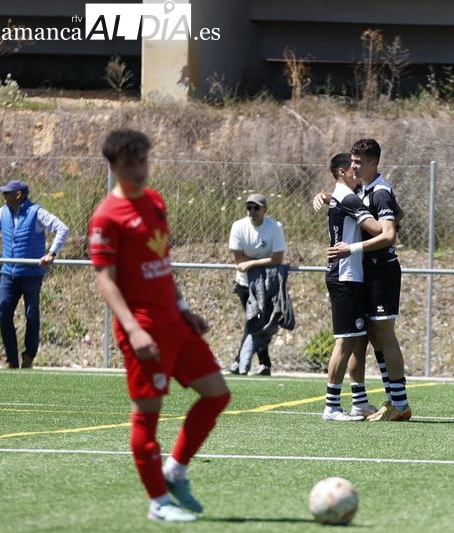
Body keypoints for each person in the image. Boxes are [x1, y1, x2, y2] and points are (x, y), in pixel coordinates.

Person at [89, 129, 231, 523]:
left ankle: (175, 470)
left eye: (143, 161)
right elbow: (105, 277)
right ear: (114, 167)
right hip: (144, 327)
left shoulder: (155, 201)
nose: (139, 170)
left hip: (173, 320)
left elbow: (163, 262)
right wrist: (133, 329)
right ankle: (158, 502)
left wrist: (184, 308)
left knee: (217, 394)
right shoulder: (106, 216)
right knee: (147, 417)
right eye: (130, 164)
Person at [328, 138, 411, 422]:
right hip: (366, 272)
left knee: (385, 335)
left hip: (382, 272)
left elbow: (388, 234)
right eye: (352, 161)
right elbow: (399, 214)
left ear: (374, 163)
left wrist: (352, 248)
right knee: (368, 336)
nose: (353, 165)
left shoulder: (380, 191)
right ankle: (389, 401)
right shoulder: (363, 189)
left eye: (359, 162)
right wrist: (328, 197)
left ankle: (399, 404)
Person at [321, 153, 394, 421]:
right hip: (345, 276)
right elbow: (378, 230)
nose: (357, 172)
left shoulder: (343, 195)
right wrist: (388, 216)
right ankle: (331, 406)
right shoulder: (349, 198)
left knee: (357, 339)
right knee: (346, 341)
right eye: (352, 168)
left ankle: (360, 402)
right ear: (341, 172)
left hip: (352, 275)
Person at [0, 179, 69, 369]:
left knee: (32, 315)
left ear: (18, 195)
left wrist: (51, 253)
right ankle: (11, 359)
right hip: (9, 274)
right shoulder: (3, 213)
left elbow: (62, 229)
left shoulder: (36, 212)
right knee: (3, 313)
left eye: (7, 193)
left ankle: (29, 356)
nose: (3, 196)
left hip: (31, 274)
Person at [228, 192, 288, 376]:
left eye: (256, 207)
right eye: (249, 207)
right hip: (245, 284)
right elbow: (239, 259)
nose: (251, 211)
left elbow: (277, 258)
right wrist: (260, 262)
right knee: (253, 321)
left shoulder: (275, 227)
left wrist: (252, 263)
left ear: (265, 210)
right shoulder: (238, 227)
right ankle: (251, 362)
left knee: (260, 322)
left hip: (269, 284)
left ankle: (246, 362)